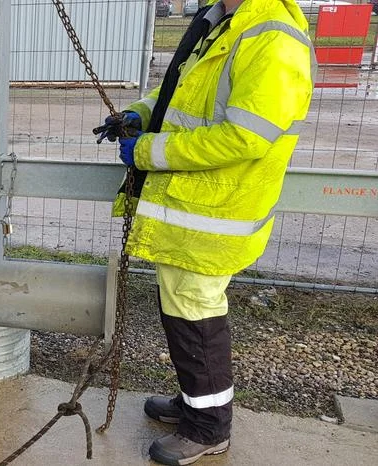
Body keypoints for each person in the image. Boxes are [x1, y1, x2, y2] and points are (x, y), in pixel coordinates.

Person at [99, 0, 315, 463]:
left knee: (195, 314)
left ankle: (209, 427)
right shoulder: (224, 23)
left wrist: (149, 151)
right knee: (181, 306)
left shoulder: (271, 37)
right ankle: (194, 403)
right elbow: (179, 95)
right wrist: (139, 113)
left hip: (217, 209)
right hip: (193, 206)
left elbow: (246, 137)